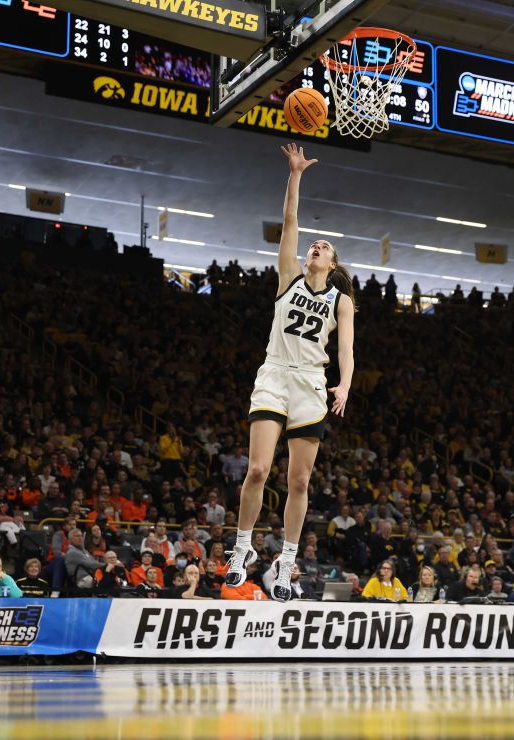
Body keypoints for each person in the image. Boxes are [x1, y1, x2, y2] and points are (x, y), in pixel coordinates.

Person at [226, 144, 356, 603]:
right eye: (314, 245)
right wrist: (295, 174)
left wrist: (345, 383)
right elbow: (290, 224)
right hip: (275, 374)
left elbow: (347, 350)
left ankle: (286, 562)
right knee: (259, 468)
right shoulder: (288, 277)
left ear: (332, 265)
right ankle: (241, 549)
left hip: (311, 383)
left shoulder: (341, 301)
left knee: (299, 481)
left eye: (325, 247)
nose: (315, 246)